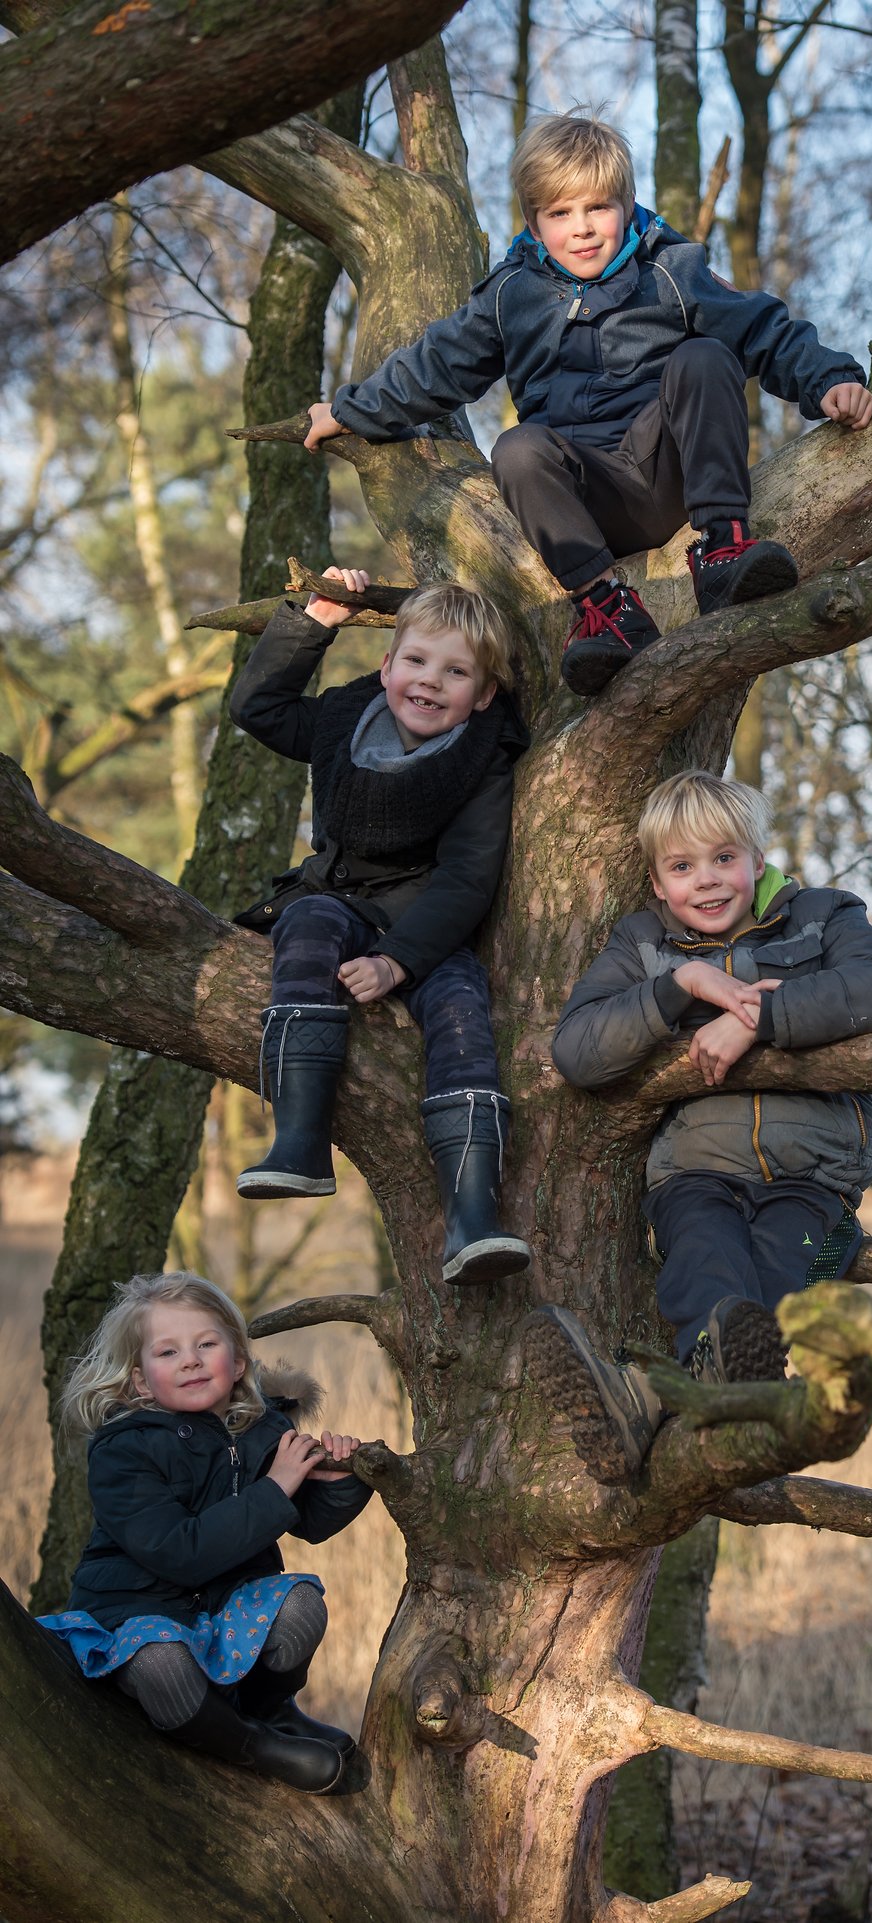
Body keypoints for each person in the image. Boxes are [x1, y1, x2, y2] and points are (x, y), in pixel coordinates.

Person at [302, 111, 872, 699]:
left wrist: (827, 379)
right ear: (533, 220)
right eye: (560, 213)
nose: (582, 229)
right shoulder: (510, 295)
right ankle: (607, 609)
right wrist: (348, 412)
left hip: (671, 467)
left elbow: (762, 327)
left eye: (598, 207)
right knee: (518, 448)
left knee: (705, 357)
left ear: (627, 205)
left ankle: (724, 547)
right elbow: (436, 364)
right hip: (586, 502)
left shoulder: (671, 270)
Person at [528, 770, 872, 1483]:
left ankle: (643, 1399)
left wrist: (760, 1020)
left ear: (758, 861)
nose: (706, 882)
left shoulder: (824, 916)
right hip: (696, 1171)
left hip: (815, 1177)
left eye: (723, 859)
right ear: (656, 881)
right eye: (682, 866)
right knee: (709, 1276)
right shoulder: (644, 944)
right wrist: (683, 987)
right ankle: (684, 1398)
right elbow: (577, 1048)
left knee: (759, 1304)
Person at [229, 567, 532, 1287]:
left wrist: (398, 961)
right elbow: (257, 707)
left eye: (456, 671)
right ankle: (300, 1144)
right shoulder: (343, 720)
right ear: (387, 664)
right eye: (417, 662)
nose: (430, 681)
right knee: (305, 921)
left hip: (426, 928)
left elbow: (466, 879)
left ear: (483, 694)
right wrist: (317, 618)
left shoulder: (482, 761)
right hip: (336, 901)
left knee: (463, 1011)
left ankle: (471, 1217)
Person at [38, 1271, 372, 1793]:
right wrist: (276, 1487)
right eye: (167, 1352)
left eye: (206, 1344)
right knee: (160, 1663)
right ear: (140, 1380)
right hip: (139, 1615)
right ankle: (254, 1746)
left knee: (301, 1603)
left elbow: (310, 1524)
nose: (190, 1360)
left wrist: (336, 1484)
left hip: (224, 1609)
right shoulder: (123, 1451)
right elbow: (179, 1552)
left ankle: (272, 1711)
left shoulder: (264, 1430)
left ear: (237, 1361)